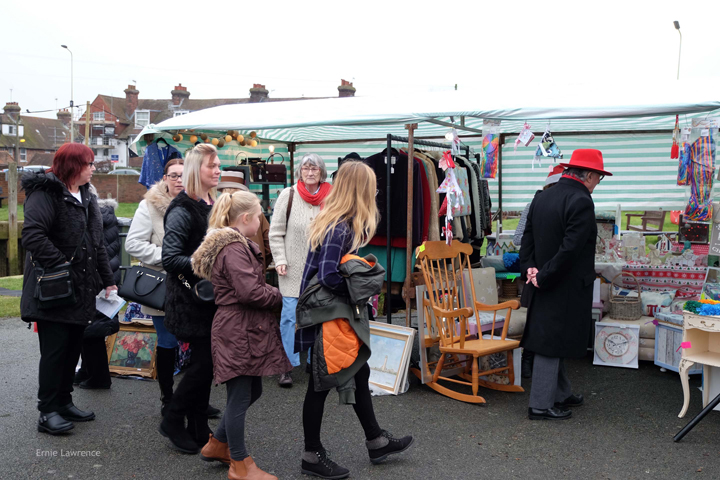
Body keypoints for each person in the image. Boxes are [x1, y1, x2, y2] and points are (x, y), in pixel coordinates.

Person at [297, 161, 413, 479]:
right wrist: (358, 290)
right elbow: (329, 275)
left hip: (330, 314)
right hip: (327, 317)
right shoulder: (340, 226)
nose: (375, 191)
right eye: (372, 186)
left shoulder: (339, 221)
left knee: (359, 372)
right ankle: (311, 454)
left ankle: (376, 441)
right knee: (320, 385)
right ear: (359, 190)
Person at [20, 143, 117, 435]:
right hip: (53, 289)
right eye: (88, 164)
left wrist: (108, 278)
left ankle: (63, 401)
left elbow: (97, 243)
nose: (93, 168)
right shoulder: (45, 193)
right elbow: (32, 236)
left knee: (73, 346)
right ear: (73, 166)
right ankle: (47, 411)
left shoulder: (86, 194)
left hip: (81, 289)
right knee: (55, 352)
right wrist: (62, 265)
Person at [192, 191, 288, 480]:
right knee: (239, 395)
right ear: (246, 218)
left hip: (240, 326)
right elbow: (249, 291)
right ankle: (239, 464)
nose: (261, 221)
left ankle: (218, 446)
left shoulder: (233, 244)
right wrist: (281, 296)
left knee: (251, 390)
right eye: (259, 216)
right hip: (238, 328)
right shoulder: (234, 248)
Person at [519, 149, 612, 421]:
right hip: (563, 284)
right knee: (550, 342)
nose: (597, 184)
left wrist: (530, 269)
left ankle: (560, 392)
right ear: (590, 175)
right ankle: (540, 404)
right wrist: (544, 275)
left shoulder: (543, 195)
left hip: (543, 279)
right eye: (599, 178)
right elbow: (571, 249)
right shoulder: (581, 200)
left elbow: (527, 238)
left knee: (551, 338)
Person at [126, 158, 221, 417]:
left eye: (182, 174)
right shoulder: (149, 207)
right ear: (164, 178)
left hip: (197, 285)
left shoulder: (206, 204)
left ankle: (195, 400)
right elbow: (133, 244)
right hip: (164, 285)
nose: (179, 180)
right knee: (168, 342)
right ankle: (169, 398)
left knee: (200, 348)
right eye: (173, 175)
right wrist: (167, 255)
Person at [159, 144, 220, 453]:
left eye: (218, 165)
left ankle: (198, 427)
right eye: (212, 166)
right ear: (199, 170)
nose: (218, 170)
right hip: (189, 300)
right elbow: (169, 258)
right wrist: (208, 262)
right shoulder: (182, 209)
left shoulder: (208, 204)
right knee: (203, 365)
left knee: (204, 365)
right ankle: (172, 419)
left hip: (205, 301)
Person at [269, 153, 332, 387]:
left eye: (314, 168)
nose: (310, 172)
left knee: (320, 315)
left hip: (322, 267)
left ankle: (315, 362)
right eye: (306, 168)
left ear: (322, 172)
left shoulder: (332, 195)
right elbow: (275, 233)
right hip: (293, 268)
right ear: (300, 172)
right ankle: (286, 365)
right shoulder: (288, 195)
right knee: (289, 317)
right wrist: (280, 259)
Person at [513, 164, 565, 379]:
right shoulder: (535, 205)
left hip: (539, 270)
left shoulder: (537, 204)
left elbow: (518, 240)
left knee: (539, 319)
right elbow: (519, 239)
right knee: (537, 319)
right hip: (541, 272)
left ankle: (536, 364)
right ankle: (529, 360)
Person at [73, 186, 122, 389]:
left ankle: (99, 377)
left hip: (97, 276)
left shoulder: (93, 216)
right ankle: (88, 371)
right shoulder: (106, 215)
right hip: (106, 273)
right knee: (91, 328)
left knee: (92, 329)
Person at [217, 170, 272, 269]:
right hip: (256, 274)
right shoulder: (256, 212)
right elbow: (269, 244)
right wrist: (261, 265)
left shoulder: (217, 216)